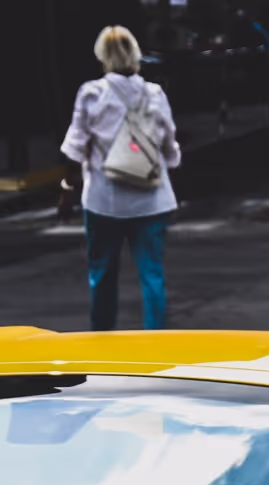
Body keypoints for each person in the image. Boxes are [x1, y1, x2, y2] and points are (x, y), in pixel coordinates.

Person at [59, 26, 181, 331]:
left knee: (101, 276)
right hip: (152, 201)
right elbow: (170, 147)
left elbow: (75, 148)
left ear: (103, 57)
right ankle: (156, 341)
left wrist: (67, 188)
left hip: (104, 203)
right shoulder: (154, 93)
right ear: (136, 55)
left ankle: (102, 341)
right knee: (152, 276)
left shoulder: (91, 94)